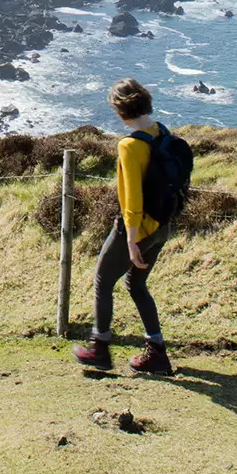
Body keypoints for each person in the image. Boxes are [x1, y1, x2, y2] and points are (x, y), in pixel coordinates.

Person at [74, 78, 175, 375]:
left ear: (120, 111)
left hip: (137, 230)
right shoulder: (162, 133)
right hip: (162, 227)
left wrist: (131, 241)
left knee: (103, 282)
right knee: (137, 285)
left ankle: (99, 350)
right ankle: (157, 352)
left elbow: (131, 199)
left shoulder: (130, 145)